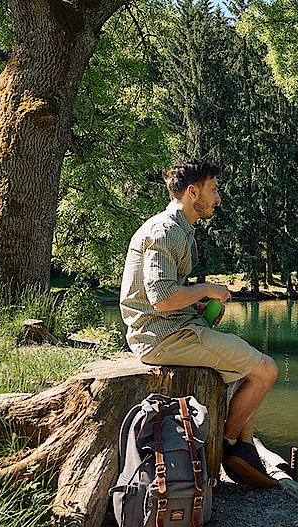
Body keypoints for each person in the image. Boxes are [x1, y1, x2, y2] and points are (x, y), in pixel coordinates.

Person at [119, 158, 278, 488]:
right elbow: (161, 298)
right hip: (161, 337)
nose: (218, 198)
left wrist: (199, 302)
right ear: (193, 192)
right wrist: (205, 288)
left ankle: (243, 447)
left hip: (174, 328)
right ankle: (229, 447)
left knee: (246, 368)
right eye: (213, 190)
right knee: (265, 370)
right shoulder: (164, 232)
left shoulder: (179, 229)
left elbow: (168, 294)